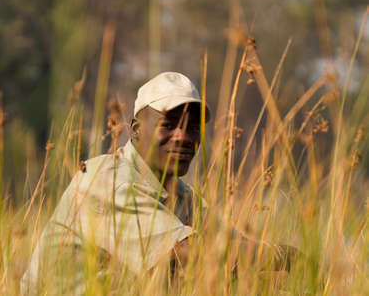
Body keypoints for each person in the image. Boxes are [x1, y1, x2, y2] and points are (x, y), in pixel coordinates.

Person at [21, 72, 295, 294]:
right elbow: (189, 251)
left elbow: (233, 244)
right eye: (169, 125)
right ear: (136, 130)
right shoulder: (107, 179)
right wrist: (288, 259)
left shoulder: (182, 195)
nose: (184, 137)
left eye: (193, 127)